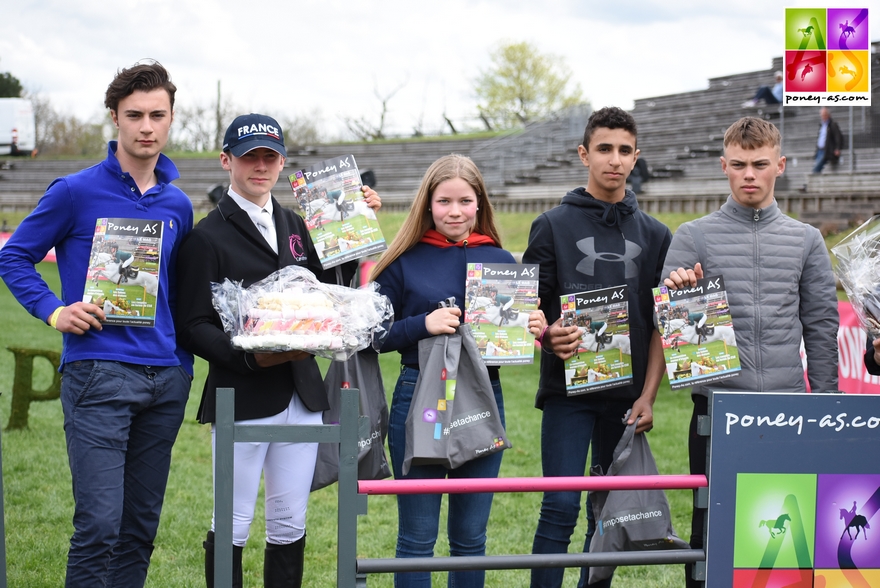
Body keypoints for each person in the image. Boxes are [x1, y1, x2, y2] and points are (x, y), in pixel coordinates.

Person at [0, 60, 193, 588]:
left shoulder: (177, 203)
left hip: (165, 378)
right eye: (135, 115)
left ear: (172, 118)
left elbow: (177, 289)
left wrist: (181, 367)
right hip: (98, 373)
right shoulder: (74, 191)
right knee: (100, 525)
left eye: (158, 115)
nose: (146, 126)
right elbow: (13, 257)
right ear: (115, 117)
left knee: (139, 528)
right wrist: (55, 311)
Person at [175, 113, 380, 588]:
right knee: (232, 519)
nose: (260, 166)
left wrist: (353, 228)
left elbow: (330, 292)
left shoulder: (295, 223)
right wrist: (247, 357)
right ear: (227, 161)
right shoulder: (206, 236)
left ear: (282, 162)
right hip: (242, 395)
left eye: (270, 156)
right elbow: (192, 325)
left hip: (302, 393)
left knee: (290, 522)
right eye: (250, 157)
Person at [662, 116, 839, 588]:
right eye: (738, 164)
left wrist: (824, 405)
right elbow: (672, 329)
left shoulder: (806, 239)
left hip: (789, 410)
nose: (749, 174)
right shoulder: (692, 236)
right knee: (711, 535)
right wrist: (678, 296)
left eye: (760, 164)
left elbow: (821, 327)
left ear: (779, 165)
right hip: (717, 411)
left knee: (781, 529)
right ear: (723, 166)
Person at [370, 154, 546, 588]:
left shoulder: (501, 260)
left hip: (484, 396)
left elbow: (505, 347)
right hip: (420, 395)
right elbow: (373, 334)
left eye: (465, 201)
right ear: (427, 204)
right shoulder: (404, 260)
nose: (454, 211)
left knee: (470, 539)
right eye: (443, 201)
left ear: (479, 203)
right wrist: (422, 325)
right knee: (416, 539)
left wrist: (532, 328)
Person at [523, 106, 671, 588]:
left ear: (637, 157)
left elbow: (659, 327)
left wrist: (647, 396)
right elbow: (531, 312)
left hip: (625, 399)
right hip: (569, 395)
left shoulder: (656, 235)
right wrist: (548, 336)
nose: (615, 160)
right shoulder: (551, 225)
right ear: (584, 153)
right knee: (560, 505)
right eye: (604, 149)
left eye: (625, 151)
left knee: (606, 514)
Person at [812, 107, 844, 174]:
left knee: (816, 168)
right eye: (822, 115)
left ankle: (813, 182)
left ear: (828, 115)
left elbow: (838, 136)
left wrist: (837, 148)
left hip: (826, 150)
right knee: (816, 166)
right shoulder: (822, 125)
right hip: (819, 150)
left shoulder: (832, 125)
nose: (822, 117)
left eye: (824, 115)